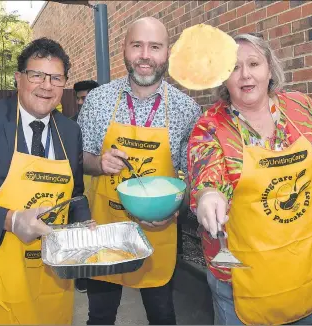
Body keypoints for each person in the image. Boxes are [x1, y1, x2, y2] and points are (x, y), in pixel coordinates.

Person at [187, 33, 312, 325]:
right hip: (242, 278)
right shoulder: (210, 127)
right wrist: (209, 197)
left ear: (270, 69)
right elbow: (207, 178)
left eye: (254, 63)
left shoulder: (303, 108)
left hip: (307, 267)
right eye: (234, 67)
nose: (245, 74)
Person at [77, 17, 201, 325]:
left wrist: (176, 210)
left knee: (162, 316)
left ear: (166, 53)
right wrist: (98, 163)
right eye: (137, 45)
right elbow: (79, 158)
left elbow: (191, 177)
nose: (145, 55)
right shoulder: (98, 100)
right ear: (124, 49)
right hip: (105, 230)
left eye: (155, 47)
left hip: (157, 234)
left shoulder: (187, 110)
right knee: (100, 317)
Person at [0, 37, 92, 325]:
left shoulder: (70, 131)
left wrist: (86, 227)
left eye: (56, 78)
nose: (46, 85)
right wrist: (12, 221)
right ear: (18, 79)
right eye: (36, 75)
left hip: (51, 276)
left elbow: (76, 193)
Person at [71, 79, 99, 293]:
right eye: (79, 98)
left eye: (87, 97)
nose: (83, 102)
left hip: (100, 185)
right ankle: (81, 278)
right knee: (78, 231)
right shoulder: (69, 125)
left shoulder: (105, 122)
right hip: (77, 186)